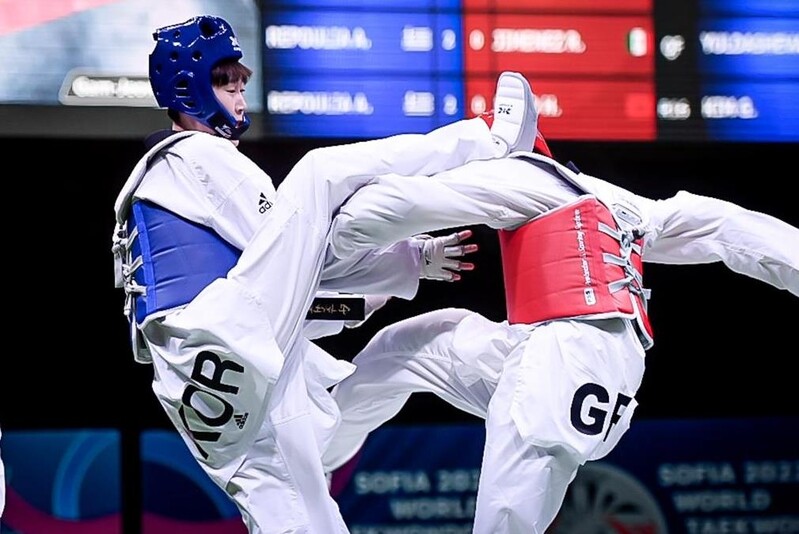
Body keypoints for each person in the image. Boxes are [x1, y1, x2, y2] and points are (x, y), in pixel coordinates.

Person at [111, 14, 541, 533]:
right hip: (223, 349)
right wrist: (405, 257)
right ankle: (489, 143)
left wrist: (411, 263)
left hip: (219, 385)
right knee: (319, 177)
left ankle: (525, 381)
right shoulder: (196, 155)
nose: (241, 94)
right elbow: (318, 251)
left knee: (310, 507)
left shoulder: (163, 185)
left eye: (242, 82)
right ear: (191, 89)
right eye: (227, 82)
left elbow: (309, 292)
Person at [321, 121, 799, 532]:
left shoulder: (516, 173)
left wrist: (318, 246)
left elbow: (400, 206)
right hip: (568, 357)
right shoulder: (614, 199)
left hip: (566, 359)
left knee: (504, 519)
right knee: (410, 347)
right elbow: (720, 225)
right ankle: (310, 461)